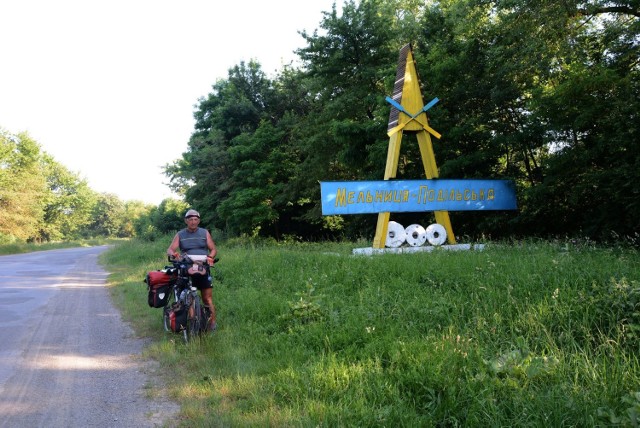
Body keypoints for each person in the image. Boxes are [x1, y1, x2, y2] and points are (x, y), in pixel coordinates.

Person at [166, 209, 218, 332]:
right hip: (186, 266)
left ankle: (212, 324)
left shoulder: (205, 232)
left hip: (203, 267)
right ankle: (193, 322)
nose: (193, 222)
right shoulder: (180, 234)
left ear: (198, 221)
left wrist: (210, 257)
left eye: (195, 220)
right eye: (190, 220)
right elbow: (170, 249)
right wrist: (174, 254)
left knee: (207, 299)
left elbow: (213, 249)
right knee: (188, 296)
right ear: (186, 221)